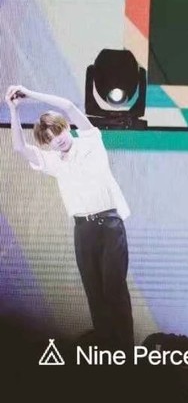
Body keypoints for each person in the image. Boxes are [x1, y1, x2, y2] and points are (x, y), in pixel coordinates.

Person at [6, 85, 133, 349]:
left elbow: (68, 105)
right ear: (47, 143)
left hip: (109, 225)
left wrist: (30, 94)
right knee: (94, 294)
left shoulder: (90, 141)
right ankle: (106, 354)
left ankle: (125, 352)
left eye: (59, 131)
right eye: (51, 138)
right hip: (83, 230)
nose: (58, 139)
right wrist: (13, 109)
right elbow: (19, 147)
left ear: (66, 127)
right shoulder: (53, 162)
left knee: (114, 290)